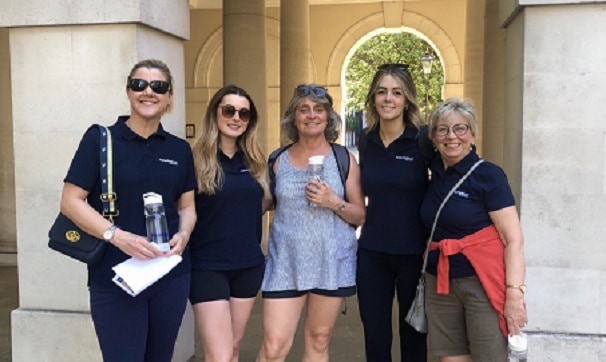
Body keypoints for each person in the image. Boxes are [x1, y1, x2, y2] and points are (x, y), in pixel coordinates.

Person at [59, 59, 197, 361]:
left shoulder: (179, 149)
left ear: (169, 96)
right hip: (116, 274)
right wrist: (118, 237)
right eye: (140, 84)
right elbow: (70, 201)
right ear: (128, 91)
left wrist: (184, 234)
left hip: (169, 274)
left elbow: (187, 206)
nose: (149, 91)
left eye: (158, 86)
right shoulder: (100, 140)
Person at [257, 84, 365, 362]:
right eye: (303, 110)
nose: (312, 115)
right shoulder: (277, 160)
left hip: (330, 261)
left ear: (329, 118)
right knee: (274, 346)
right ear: (293, 117)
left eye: (319, 110)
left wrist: (333, 201)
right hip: (286, 262)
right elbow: (261, 205)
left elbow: (360, 215)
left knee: (318, 341)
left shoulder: (344, 159)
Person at [420, 98, 528, 361]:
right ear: (433, 137)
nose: (451, 136)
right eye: (442, 129)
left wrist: (514, 293)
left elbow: (513, 239)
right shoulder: (435, 172)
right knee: (451, 357)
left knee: (489, 355)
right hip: (440, 282)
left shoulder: (488, 175)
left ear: (473, 133)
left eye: (460, 128)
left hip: (479, 281)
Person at [189, 85, 272, 361]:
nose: (236, 117)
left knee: (233, 347)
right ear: (215, 113)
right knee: (221, 355)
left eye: (244, 113)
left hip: (248, 265)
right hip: (207, 266)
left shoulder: (257, 160)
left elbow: (259, 204)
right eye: (229, 110)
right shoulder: (195, 160)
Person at [356, 63, 430, 361]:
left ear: (406, 99)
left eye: (396, 93)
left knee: (413, 338)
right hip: (372, 252)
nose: (389, 99)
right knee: (375, 339)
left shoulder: (423, 140)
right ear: (373, 98)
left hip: (414, 253)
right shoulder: (366, 139)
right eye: (382, 92)